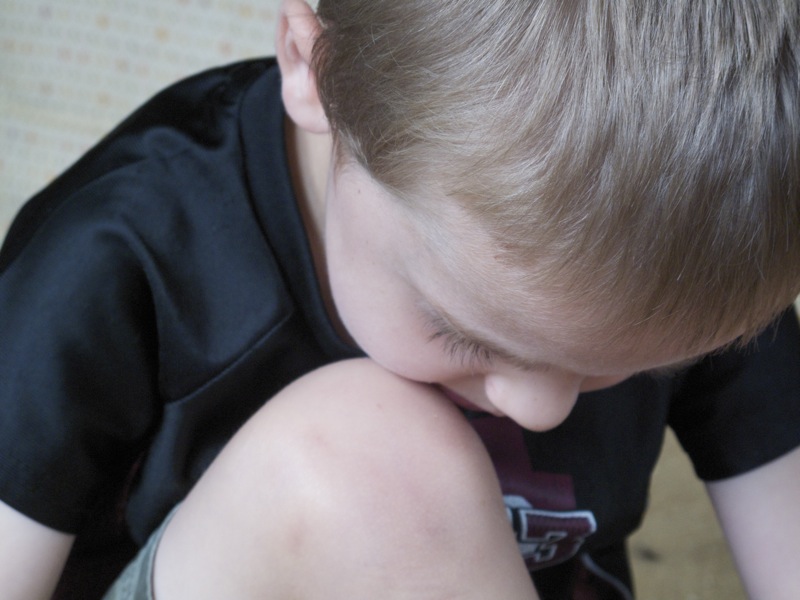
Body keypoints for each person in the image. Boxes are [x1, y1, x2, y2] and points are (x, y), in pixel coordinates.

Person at [1, 0, 800, 598]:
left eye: (633, 364)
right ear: (311, 68)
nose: (543, 408)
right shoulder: (116, 256)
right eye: (464, 334)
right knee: (369, 462)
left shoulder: (699, 246)